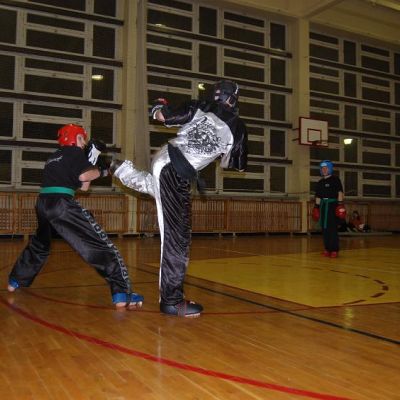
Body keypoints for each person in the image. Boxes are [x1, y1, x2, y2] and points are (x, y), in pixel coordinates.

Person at [110, 80, 248, 317]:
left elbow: (161, 115)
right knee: (177, 236)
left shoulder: (200, 105)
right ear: (233, 99)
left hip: (165, 157)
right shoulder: (238, 126)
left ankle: (117, 168)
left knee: (156, 188)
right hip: (176, 170)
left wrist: (158, 104)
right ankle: (172, 300)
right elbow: (237, 165)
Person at [7, 124, 143, 310]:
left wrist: (92, 160)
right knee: (100, 245)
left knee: (39, 244)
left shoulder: (54, 156)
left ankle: (15, 280)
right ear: (73, 138)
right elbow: (84, 176)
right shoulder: (74, 152)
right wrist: (105, 171)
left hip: (42, 203)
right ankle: (122, 293)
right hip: (62, 204)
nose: (84, 142)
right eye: (81, 138)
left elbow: (83, 187)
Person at [312, 160, 346, 258]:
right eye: (322, 168)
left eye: (326, 168)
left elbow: (340, 192)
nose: (324, 170)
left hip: (333, 205)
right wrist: (316, 207)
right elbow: (318, 196)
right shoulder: (320, 182)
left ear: (330, 169)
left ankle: (334, 250)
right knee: (324, 229)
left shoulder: (335, 180)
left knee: (332, 229)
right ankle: (327, 249)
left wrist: (340, 205)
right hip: (323, 206)